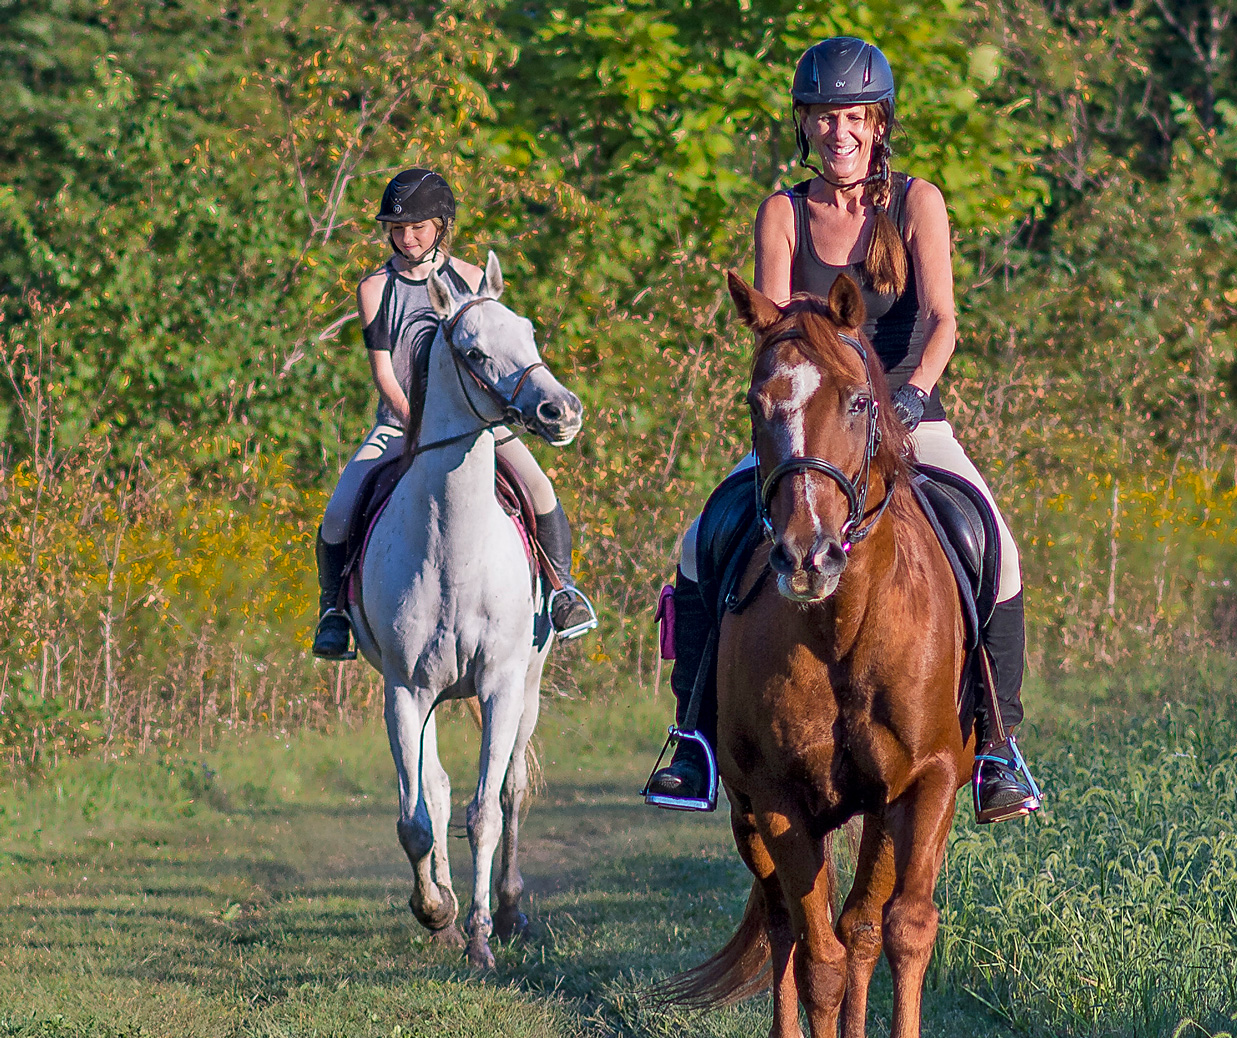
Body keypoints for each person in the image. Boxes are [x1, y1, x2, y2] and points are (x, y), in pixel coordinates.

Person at [645, 39, 1040, 822]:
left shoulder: (917, 201)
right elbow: (776, 327)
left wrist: (916, 393)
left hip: (903, 411)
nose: (840, 133)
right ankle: (693, 739)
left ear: (879, 123)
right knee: (700, 545)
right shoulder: (783, 212)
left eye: (855, 116)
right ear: (807, 125)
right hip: (812, 424)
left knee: (999, 547)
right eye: (826, 118)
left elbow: (942, 319)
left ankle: (997, 746)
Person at [311, 168, 596, 660]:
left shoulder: (469, 277)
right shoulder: (376, 287)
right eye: (397, 229)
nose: (406, 237)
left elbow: (499, 349)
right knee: (338, 513)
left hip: (480, 420)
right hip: (398, 424)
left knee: (540, 489)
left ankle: (561, 590)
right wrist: (413, 422)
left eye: (417, 227)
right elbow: (384, 373)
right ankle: (334, 612)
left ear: (441, 225)